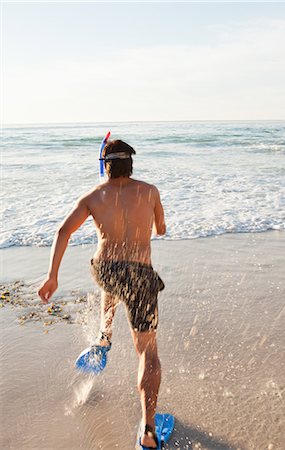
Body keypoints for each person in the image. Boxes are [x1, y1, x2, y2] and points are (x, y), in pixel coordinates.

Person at [38, 139, 166, 449]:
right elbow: (160, 229)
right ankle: (148, 433)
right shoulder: (149, 191)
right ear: (131, 164)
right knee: (147, 354)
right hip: (139, 275)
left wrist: (52, 276)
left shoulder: (94, 196)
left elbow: (62, 232)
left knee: (112, 278)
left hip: (106, 271)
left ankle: (104, 335)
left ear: (104, 165)